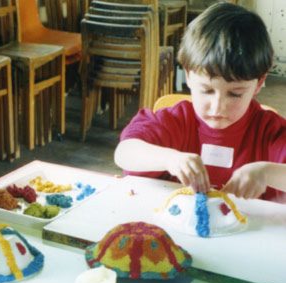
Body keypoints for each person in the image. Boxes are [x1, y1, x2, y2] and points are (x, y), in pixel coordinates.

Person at [115, 3, 286, 203]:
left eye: (235, 94)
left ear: (259, 83)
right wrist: (170, 159)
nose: (217, 107)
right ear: (188, 75)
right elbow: (124, 152)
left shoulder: (270, 132)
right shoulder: (175, 121)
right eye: (206, 90)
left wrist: (267, 172)